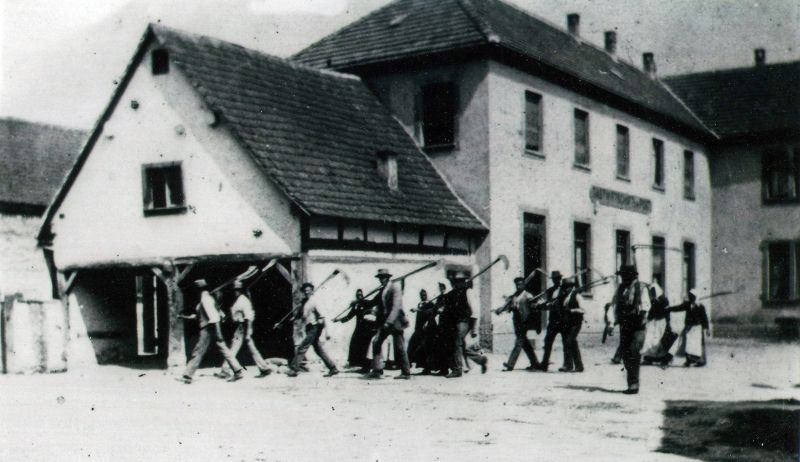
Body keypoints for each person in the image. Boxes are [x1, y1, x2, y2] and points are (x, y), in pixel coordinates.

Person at [178, 279, 244, 384]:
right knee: (224, 350)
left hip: (208, 329)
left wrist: (218, 333)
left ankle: (188, 375)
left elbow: (214, 317)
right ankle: (238, 371)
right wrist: (184, 317)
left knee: (198, 351)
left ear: (199, 289)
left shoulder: (206, 299)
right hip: (210, 327)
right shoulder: (204, 299)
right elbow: (198, 316)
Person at [606, 264, 651, 394]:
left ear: (632, 276)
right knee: (626, 354)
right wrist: (611, 323)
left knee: (634, 351)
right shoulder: (620, 289)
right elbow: (613, 306)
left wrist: (643, 316)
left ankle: (634, 384)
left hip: (638, 326)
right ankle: (631, 382)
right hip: (625, 326)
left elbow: (646, 305)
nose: (623, 278)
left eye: (625, 276)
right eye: (622, 276)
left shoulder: (641, 288)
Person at [216, 281, 273, 379]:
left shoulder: (243, 300)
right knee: (249, 348)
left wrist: (248, 331)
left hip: (243, 326)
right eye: (235, 290)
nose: (236, 292)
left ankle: (225, 370)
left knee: (233, 349)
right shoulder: (239, 300)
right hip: (240, 326)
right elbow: (234, 315)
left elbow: (249, 316)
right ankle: (264, 368)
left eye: (238, 290)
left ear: (241, 290)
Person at [439, 271, 488, 378]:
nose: (457, 284)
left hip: (465, 321)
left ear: (464, 282)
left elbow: (475, 311)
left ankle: (457, 369)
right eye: (455, 282)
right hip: (456, 322)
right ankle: (480, 359)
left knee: (457, 342)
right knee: (460, 345)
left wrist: (474, 328)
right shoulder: (453, 293)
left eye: (460, 281)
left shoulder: (468, 292)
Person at [365, 269, 412, 379]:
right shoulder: (382, 290)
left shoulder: (395, 288)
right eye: (380, 278)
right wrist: (359, 302)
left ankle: (406, 372)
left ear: (388, 277)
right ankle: (377, 370)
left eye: (383, 277)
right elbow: (373, 302)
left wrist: (389, 322)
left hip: (394, 322)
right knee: (376, 342)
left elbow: (396, 307)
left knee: (400, 346)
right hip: (385, 322)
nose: (381, 279)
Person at [286, 283, 339, 377]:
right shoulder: (306, 302)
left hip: (314, 327)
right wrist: (295, 318)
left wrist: (326, 330)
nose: (307, 292)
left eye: (308, 290)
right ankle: (332, 368)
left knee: (302, 347)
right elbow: (302, 314)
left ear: (312, 291)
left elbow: (322, 316)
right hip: (309, 327)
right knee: (318, 349)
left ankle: (294, 369)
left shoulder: (315, 301)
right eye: (305, 291)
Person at [498, 277, 540, 371]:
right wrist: (502, 309)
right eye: (517, 284)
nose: (518, 286)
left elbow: (534, 308)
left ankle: (510, 364)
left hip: (525, 321)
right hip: (516, 321)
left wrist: (535, 321)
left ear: (524, 285)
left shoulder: (528, 295)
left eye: (520, 284)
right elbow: (509, 308)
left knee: (519, 342)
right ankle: (535, 363)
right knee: (524, 343)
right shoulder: (514, 296)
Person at [336, 289, 377, 373]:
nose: (359, 296)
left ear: (363, 295)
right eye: (358, 295)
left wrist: (361, 302)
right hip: (359, 328)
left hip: (366, 328)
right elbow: (349, 316)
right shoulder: (356, 305)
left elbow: (371, 306)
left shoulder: (366, 303)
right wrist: (339, 319)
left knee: (365, 346)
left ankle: (366, 365)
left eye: (360, 295)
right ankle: (357, 363)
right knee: (355, 343)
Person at [536, 271, 568, 372]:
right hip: (553, 320)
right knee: (548, 341)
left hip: (563, 320)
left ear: (560, 279)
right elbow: (547, 304)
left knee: (566, 343)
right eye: (554, 279)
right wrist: (543, 305)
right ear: (553, 280)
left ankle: (567, 364)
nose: (556, 281)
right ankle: (544, 364)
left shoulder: (565, 290)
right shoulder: (550, 290)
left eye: (558, 279)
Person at [671, 289, 710, 367]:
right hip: (688, 328)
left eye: (692, 296)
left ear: (695, 297)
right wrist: (669, 309)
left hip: (697, 328)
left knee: (696, 345)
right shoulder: (687, 304)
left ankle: (700, 361)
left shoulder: (700, 306)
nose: (690, 297)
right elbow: (679, 308)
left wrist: (707, 328)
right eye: (690, 296)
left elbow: (704, 318)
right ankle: (688, 360)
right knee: (688, 344)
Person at [641, 282, 675, 368]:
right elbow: (651, 312)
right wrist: (648, 319)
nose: (652, 293)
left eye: (653, 291)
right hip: (654, 322)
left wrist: (668, 323)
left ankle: (662, 358)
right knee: (650, 340)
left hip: (662, 322)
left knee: (659, 341)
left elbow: (667, 312)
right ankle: (649, 358)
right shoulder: (653, 300)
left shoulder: (664, 299)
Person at [408, 289, 441, 374]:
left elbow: (430, 313)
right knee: (414, 344)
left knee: (427, 348)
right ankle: (422, 367)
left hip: (429, 329)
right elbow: (418, 318)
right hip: (420, 329)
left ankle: (428, 368)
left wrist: (418, 310)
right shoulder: (420, 304)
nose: (423, 296)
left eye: (424, 295)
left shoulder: (430, 303)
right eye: (421, 295)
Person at [559, 278, 585, 372]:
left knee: (571, 340)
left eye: (568, 287)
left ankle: (578, 365)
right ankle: (570, 365)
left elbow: (583, 309)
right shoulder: (564, 297)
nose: (566, 289)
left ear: (572, 287)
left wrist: (572, 310)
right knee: (569, 342)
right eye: (564, 287)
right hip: (568, 322)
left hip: (576, 322)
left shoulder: (577, 296)